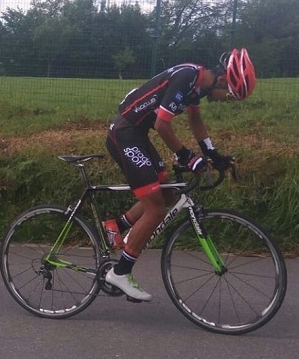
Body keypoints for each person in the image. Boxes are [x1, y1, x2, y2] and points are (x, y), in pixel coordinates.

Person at [105, 48, 257, 301]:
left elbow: (196, 122)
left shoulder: (197, 85)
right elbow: (162, 124)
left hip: (137, 135)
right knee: (155, 209)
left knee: (166, 193)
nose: (225, 101)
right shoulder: (187, 77)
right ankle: (120, 273)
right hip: (124, 133)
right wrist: (188, 157)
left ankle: (117, 225)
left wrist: (213, 154)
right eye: (229, 96)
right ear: (222, 80)